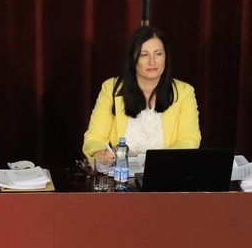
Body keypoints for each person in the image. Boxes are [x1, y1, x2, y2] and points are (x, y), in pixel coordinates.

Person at [82, 25, 201, 165]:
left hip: (165, 171)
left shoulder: (184, 92)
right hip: (120, 172)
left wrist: (157, 160)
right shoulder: (111, 89)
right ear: (133, 58)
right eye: (144, 55)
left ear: (166, 57)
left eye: (158, 54)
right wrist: (100, 152)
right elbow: (94, 137)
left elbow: (189, 140)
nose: (152, 61)